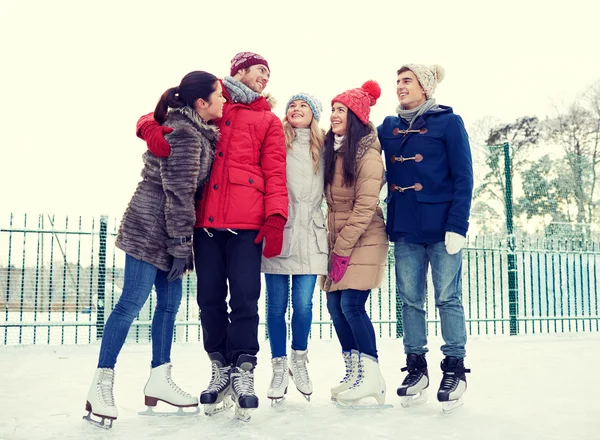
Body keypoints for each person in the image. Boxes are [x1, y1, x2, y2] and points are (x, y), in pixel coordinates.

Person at [135, 52, 288, 421]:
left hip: (247, 223)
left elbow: (276, 170)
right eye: (259, 70)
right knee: (208, 299)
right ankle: (219, 367)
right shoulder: (212, 102)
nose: (265, 78)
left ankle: (244, 371)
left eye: (269, 73)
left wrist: (276, 216)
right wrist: (150, 128)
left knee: (246, 298)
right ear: (239, 71)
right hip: (205, 222)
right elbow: (162, 109)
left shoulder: (268, 120)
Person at [84, 70, 224, 428]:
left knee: (169, 306)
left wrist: (179, 243)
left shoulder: (197, 130)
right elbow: (178, 194)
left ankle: (159, 377)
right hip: (149, 228)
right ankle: (101, 383)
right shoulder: (188, 135)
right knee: (132, 301)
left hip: (170, 230)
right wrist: (181, 245)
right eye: (219, 95)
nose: (223, 101)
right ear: (201, 103)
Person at [377, 63, 473, 413]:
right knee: (410, 301)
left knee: (448, 298)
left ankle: (455, 369)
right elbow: (361, 150)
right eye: (398, 81)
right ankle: (416, 367)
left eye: (407, 81)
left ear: (425, 87)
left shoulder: (449, 123)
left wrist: (458, 226)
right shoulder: (388, 127)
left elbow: (464, 177)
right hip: (404, 227)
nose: (400, 86)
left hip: (442, 227)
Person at [321, 81, 390, 407]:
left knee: (351, 305)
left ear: (356, 117)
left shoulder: (368, 155)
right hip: (341, 239)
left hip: (364, 237)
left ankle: (372, 376)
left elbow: (364, 208)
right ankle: (354, 372)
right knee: (335, 306)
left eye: (341, 110)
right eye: (332, 109)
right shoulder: (333, 150)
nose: (334, 115)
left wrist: (342, 248)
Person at [262, 93, 327, 404]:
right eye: (292, 105)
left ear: (314, 115)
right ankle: (278, 365)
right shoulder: (276, 141)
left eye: (303, 106)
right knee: (276, 307)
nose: (296, 109)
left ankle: (299, 360)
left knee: (302, 306)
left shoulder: (325, 148)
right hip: (281, 231)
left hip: (312, 234)